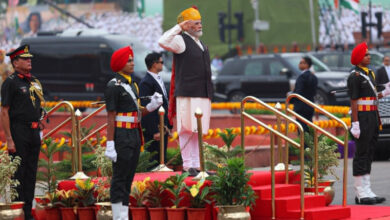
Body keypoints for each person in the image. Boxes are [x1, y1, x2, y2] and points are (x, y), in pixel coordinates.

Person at [104, 46, 162, 219]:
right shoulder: (113, 86)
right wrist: (110, 144)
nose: (132, 63)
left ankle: (123, 214)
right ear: (120, 63)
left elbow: (137, 113)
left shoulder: (133, 85)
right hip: (121, 136)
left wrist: (151, 106)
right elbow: (110, 117)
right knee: (119, 178)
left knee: (128, 177)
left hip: (134, 135)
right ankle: (117, 216)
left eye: (132, 60)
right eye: (128, 60)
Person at [158, 6, 213, 177]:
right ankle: (188, 165)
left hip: (203, 93)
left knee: (198, 129)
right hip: (187, 93)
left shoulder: (200, 43)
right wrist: (179, 27)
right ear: (187, 26)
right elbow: (163, 41)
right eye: (196, 23)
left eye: (200, 23)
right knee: (186, 129)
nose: (200, 26)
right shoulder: (181, 41)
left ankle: (198, 165)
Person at [0, 44, 45, 220]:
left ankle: (28, 213)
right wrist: (9, 139)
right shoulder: (10, 83)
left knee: (31, 173)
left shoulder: (34, 81)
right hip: (19, 131)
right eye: (25, 59)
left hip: (34, 131)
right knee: (19, 173)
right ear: (15, 62)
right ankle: (19, 213)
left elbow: (38, 104)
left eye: (29, 58)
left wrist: (40, 121)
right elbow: (4, 112)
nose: (29, 61)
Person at [348, 42, 388, 205]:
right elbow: (354, 101)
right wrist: (355, 123)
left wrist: (384, 92)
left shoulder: (370, 74)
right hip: (362, 117)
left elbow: (372, 97)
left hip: (372, 115)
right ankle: (360, 192)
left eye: (369, 54)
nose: (369, 56)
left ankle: (367, 189)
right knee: (361, 153)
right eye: (366, 55)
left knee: (370, 151)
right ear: (358, 58)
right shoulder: (355, 76)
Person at [139, 52, 172, 170]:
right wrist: (154, 130)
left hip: (163, 125)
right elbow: (146, 108)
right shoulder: (146, 82)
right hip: (154, 128)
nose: (163, 64)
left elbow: (165, 102)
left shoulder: (158, 78)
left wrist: (169, 124)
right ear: (154, 64)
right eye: (161, 62)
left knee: (162, 157)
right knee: (153, 161)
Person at [292, 56, 318, 133]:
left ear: (307, 64)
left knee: (302, 129)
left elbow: (298, 92)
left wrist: (291, 96)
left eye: (301, 63)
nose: (299, 65)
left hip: (301, 107)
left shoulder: (302, 77)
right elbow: (314, 92)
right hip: (310, 105)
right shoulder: (313, 77)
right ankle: (310, 144)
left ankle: (304, 145)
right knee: (309, 128)